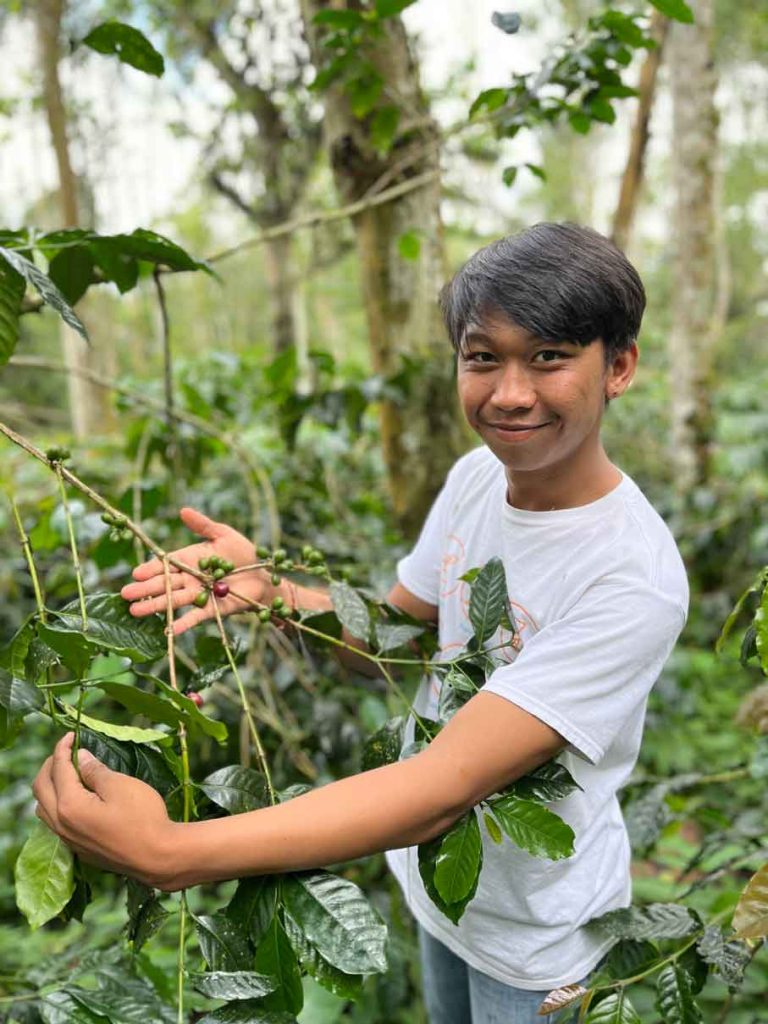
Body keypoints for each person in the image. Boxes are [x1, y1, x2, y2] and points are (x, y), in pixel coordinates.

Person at [33, 223, 688, 1024]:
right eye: (483, 357)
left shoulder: (633, 578)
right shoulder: (479, 476)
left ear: (618, 366)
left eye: (548, 357)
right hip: (442, 896)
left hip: (543, 938)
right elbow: (399, 638)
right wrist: (273, 594)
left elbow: (438, 789)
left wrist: (173, 853)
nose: (509, 393)